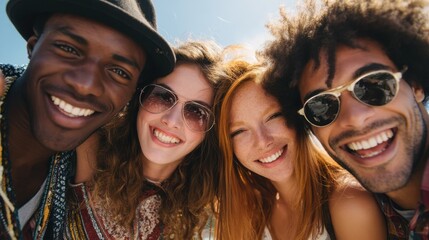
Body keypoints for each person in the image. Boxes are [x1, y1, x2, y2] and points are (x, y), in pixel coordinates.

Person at [0, 0, 175, 238]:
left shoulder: (82, 169)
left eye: (119, 72)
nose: (85, 85)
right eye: (68, 49)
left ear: (131, 93)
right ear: (32, 46)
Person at [262, 0, 429, 238]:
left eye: (373, 85)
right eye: (322, 106)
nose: (355, 119)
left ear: (415, 84)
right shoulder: (371, 209)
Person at [64, 40, 222, 239]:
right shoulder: (89, 145)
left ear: (210, 133)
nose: (171, 121)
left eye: (196, 112)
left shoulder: (198, 211)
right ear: (141, 96)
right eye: (163, 96)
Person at [214, 60, 386, 239]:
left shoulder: (350, 204)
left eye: (273, 116)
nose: (263, 142)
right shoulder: (249, 212)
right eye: (239, 131)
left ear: (297, 115)